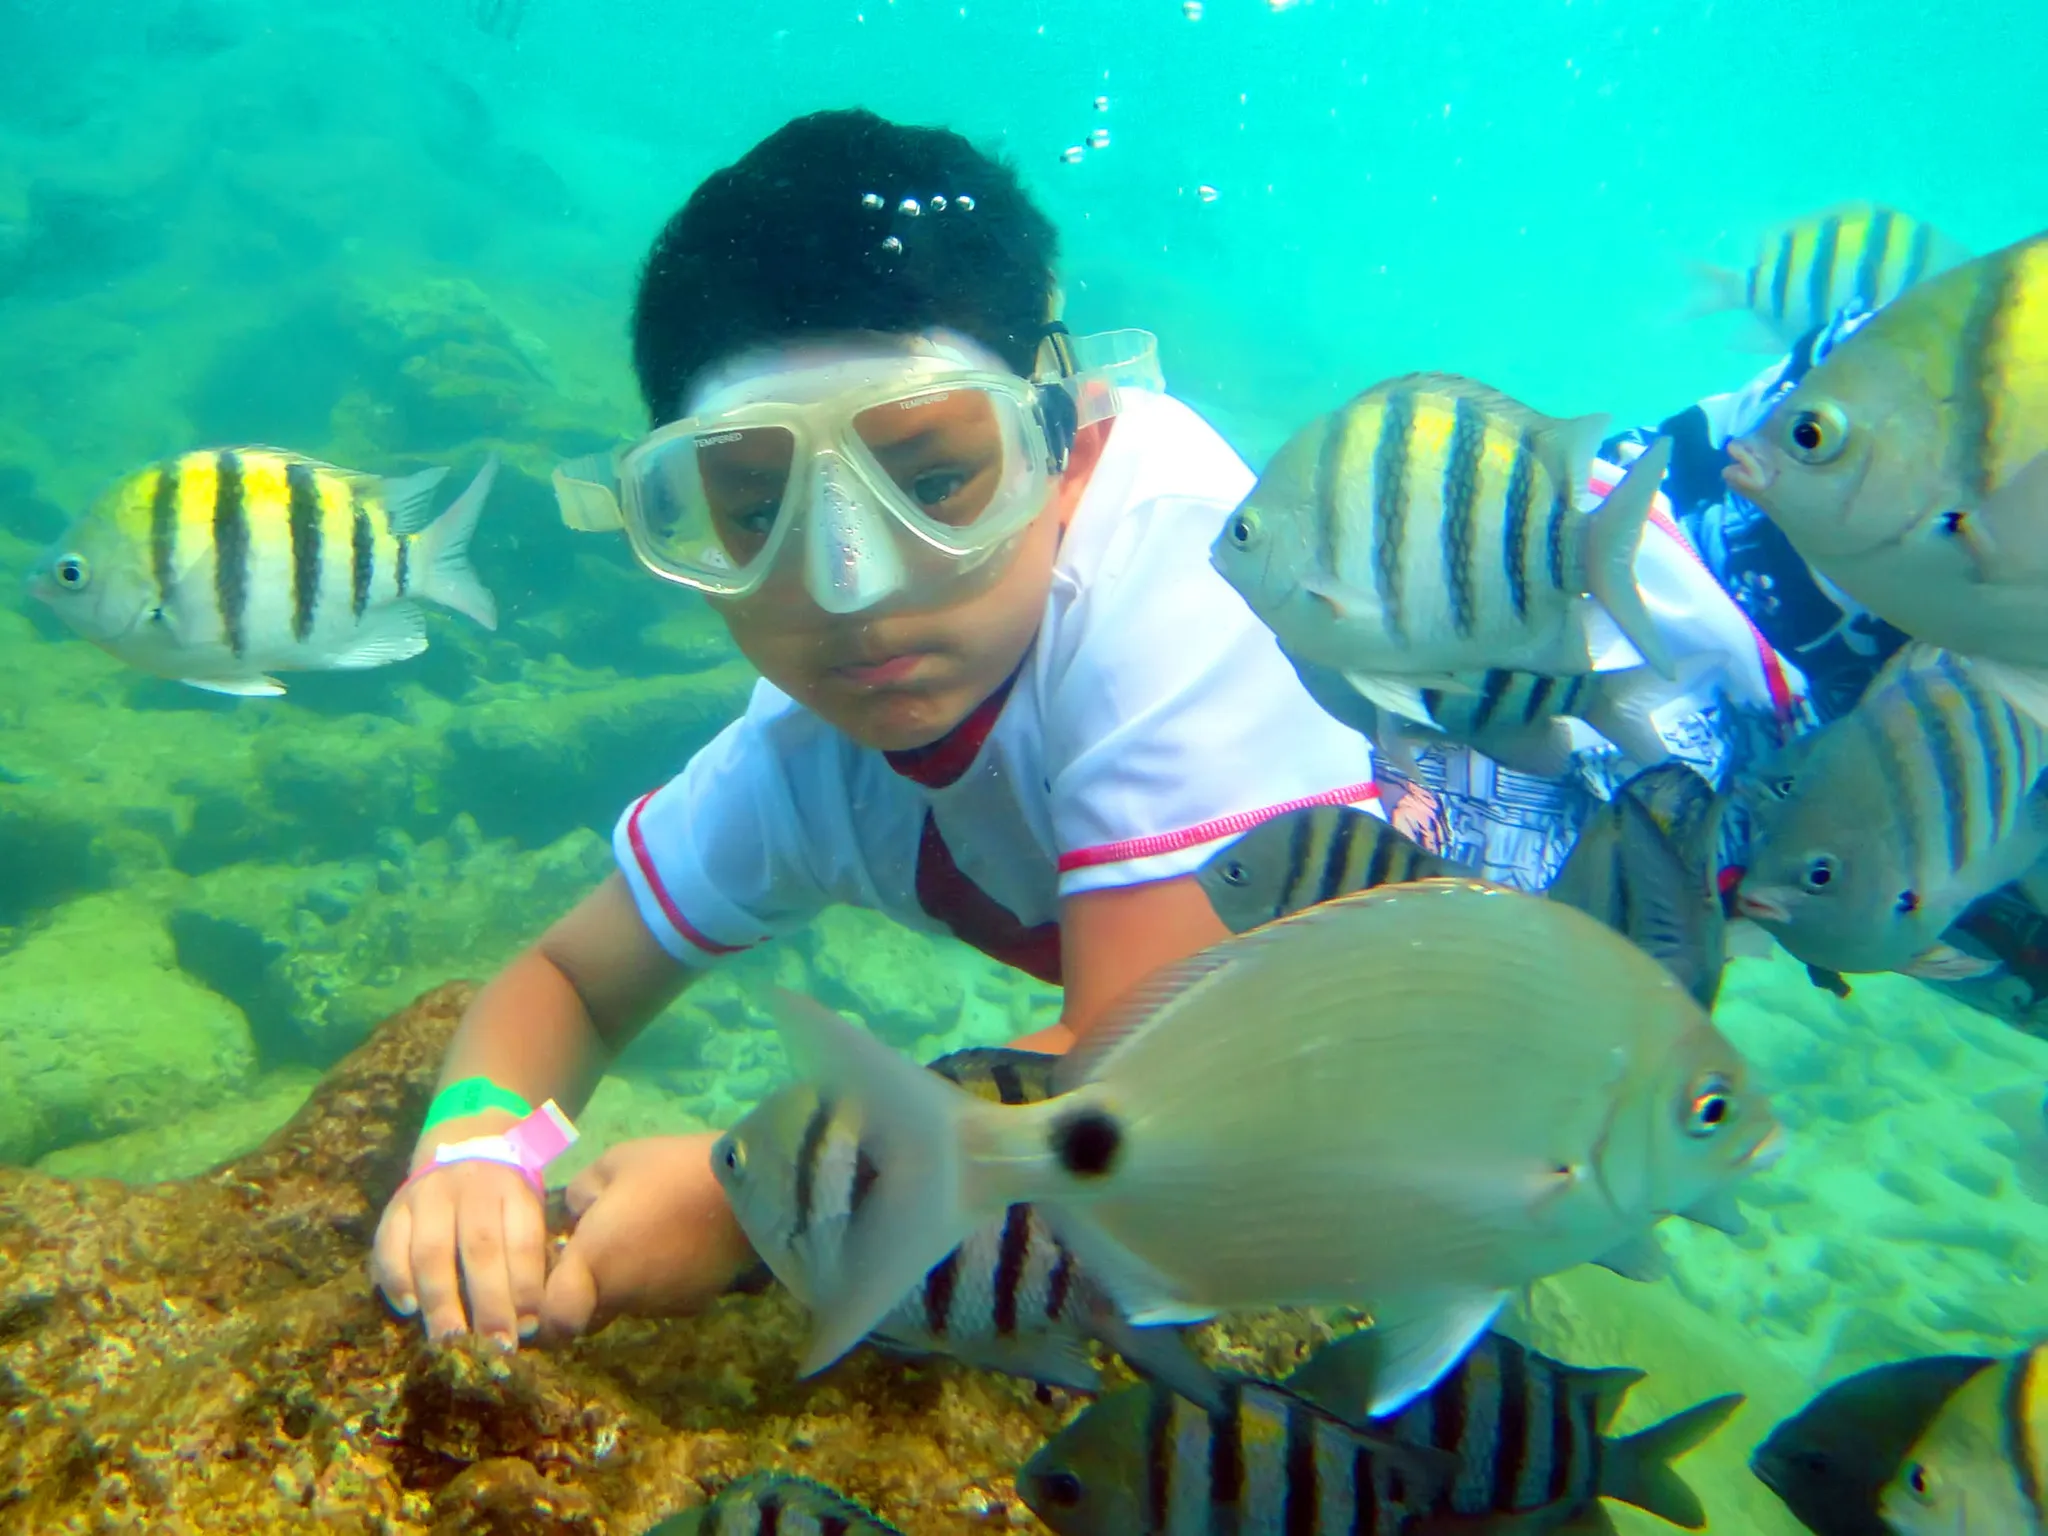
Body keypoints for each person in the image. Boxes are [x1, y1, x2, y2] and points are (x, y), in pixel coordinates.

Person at [369, 107, 1802, 1350]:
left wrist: (751, 1206)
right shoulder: (808, 759)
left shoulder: (1186, 584)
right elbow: (568, 980)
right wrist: (480, 1151)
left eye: (935, 479)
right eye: (752, 510)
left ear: (1074, 441)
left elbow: (1140, 1090)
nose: (851, 589)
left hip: (1761, 645)